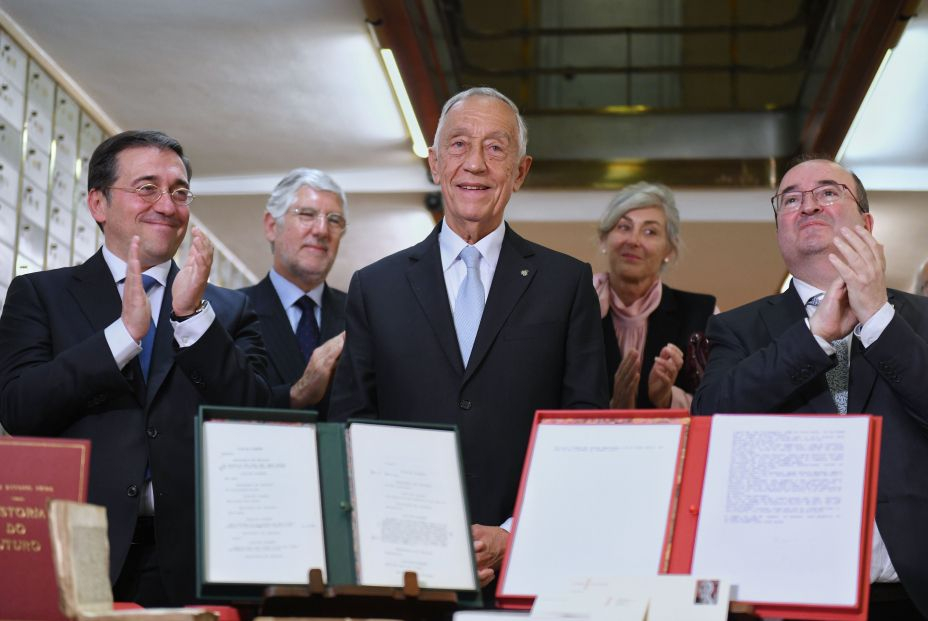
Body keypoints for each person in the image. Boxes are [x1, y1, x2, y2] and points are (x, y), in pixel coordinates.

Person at [329, 87, 608, 588]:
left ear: (520, 171)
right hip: (404, 571)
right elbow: (353, 427)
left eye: (496, 148)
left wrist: (513, 532)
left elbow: (583, 430)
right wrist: (411, 531)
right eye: (458, 145)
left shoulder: (566, 284)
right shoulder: (376, 287)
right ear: (435, 163)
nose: (475, 164)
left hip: (526, 568)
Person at [0, 130, 269, 606]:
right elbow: (20, 410)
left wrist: (191, 321)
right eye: (147, 188)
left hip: (200, 562)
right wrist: (121, 338)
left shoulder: (228, 311)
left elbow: (258, 419)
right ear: (98, 204)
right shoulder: (39, 295)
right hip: (81, 556)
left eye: (180, 192)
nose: (167, 204)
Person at [693, 157, 928, 620]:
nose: (808, 206)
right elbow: (710, 423)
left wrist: (878, 318)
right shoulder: (737, 328)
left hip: (910, 592)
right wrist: (813, 336)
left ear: (866, 222)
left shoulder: (921, 318)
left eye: (827, 192)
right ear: (779, 226)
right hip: (786, 593)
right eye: (791, 199)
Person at [594, 182, 715, 410]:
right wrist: (613, 409)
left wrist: (666, 399)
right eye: (623, 227)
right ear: (604, 239)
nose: (634, 241)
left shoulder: (704, 314)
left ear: (669, 250)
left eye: (650, 231)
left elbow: (719, 405)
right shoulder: (577, 309)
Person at [240, 169, 346, 417]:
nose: (321, 230)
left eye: (334, 219)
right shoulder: (231, 313)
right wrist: (296, 394)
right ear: (271, 226)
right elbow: (226, 407)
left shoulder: (361, 315)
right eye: (307, 214)